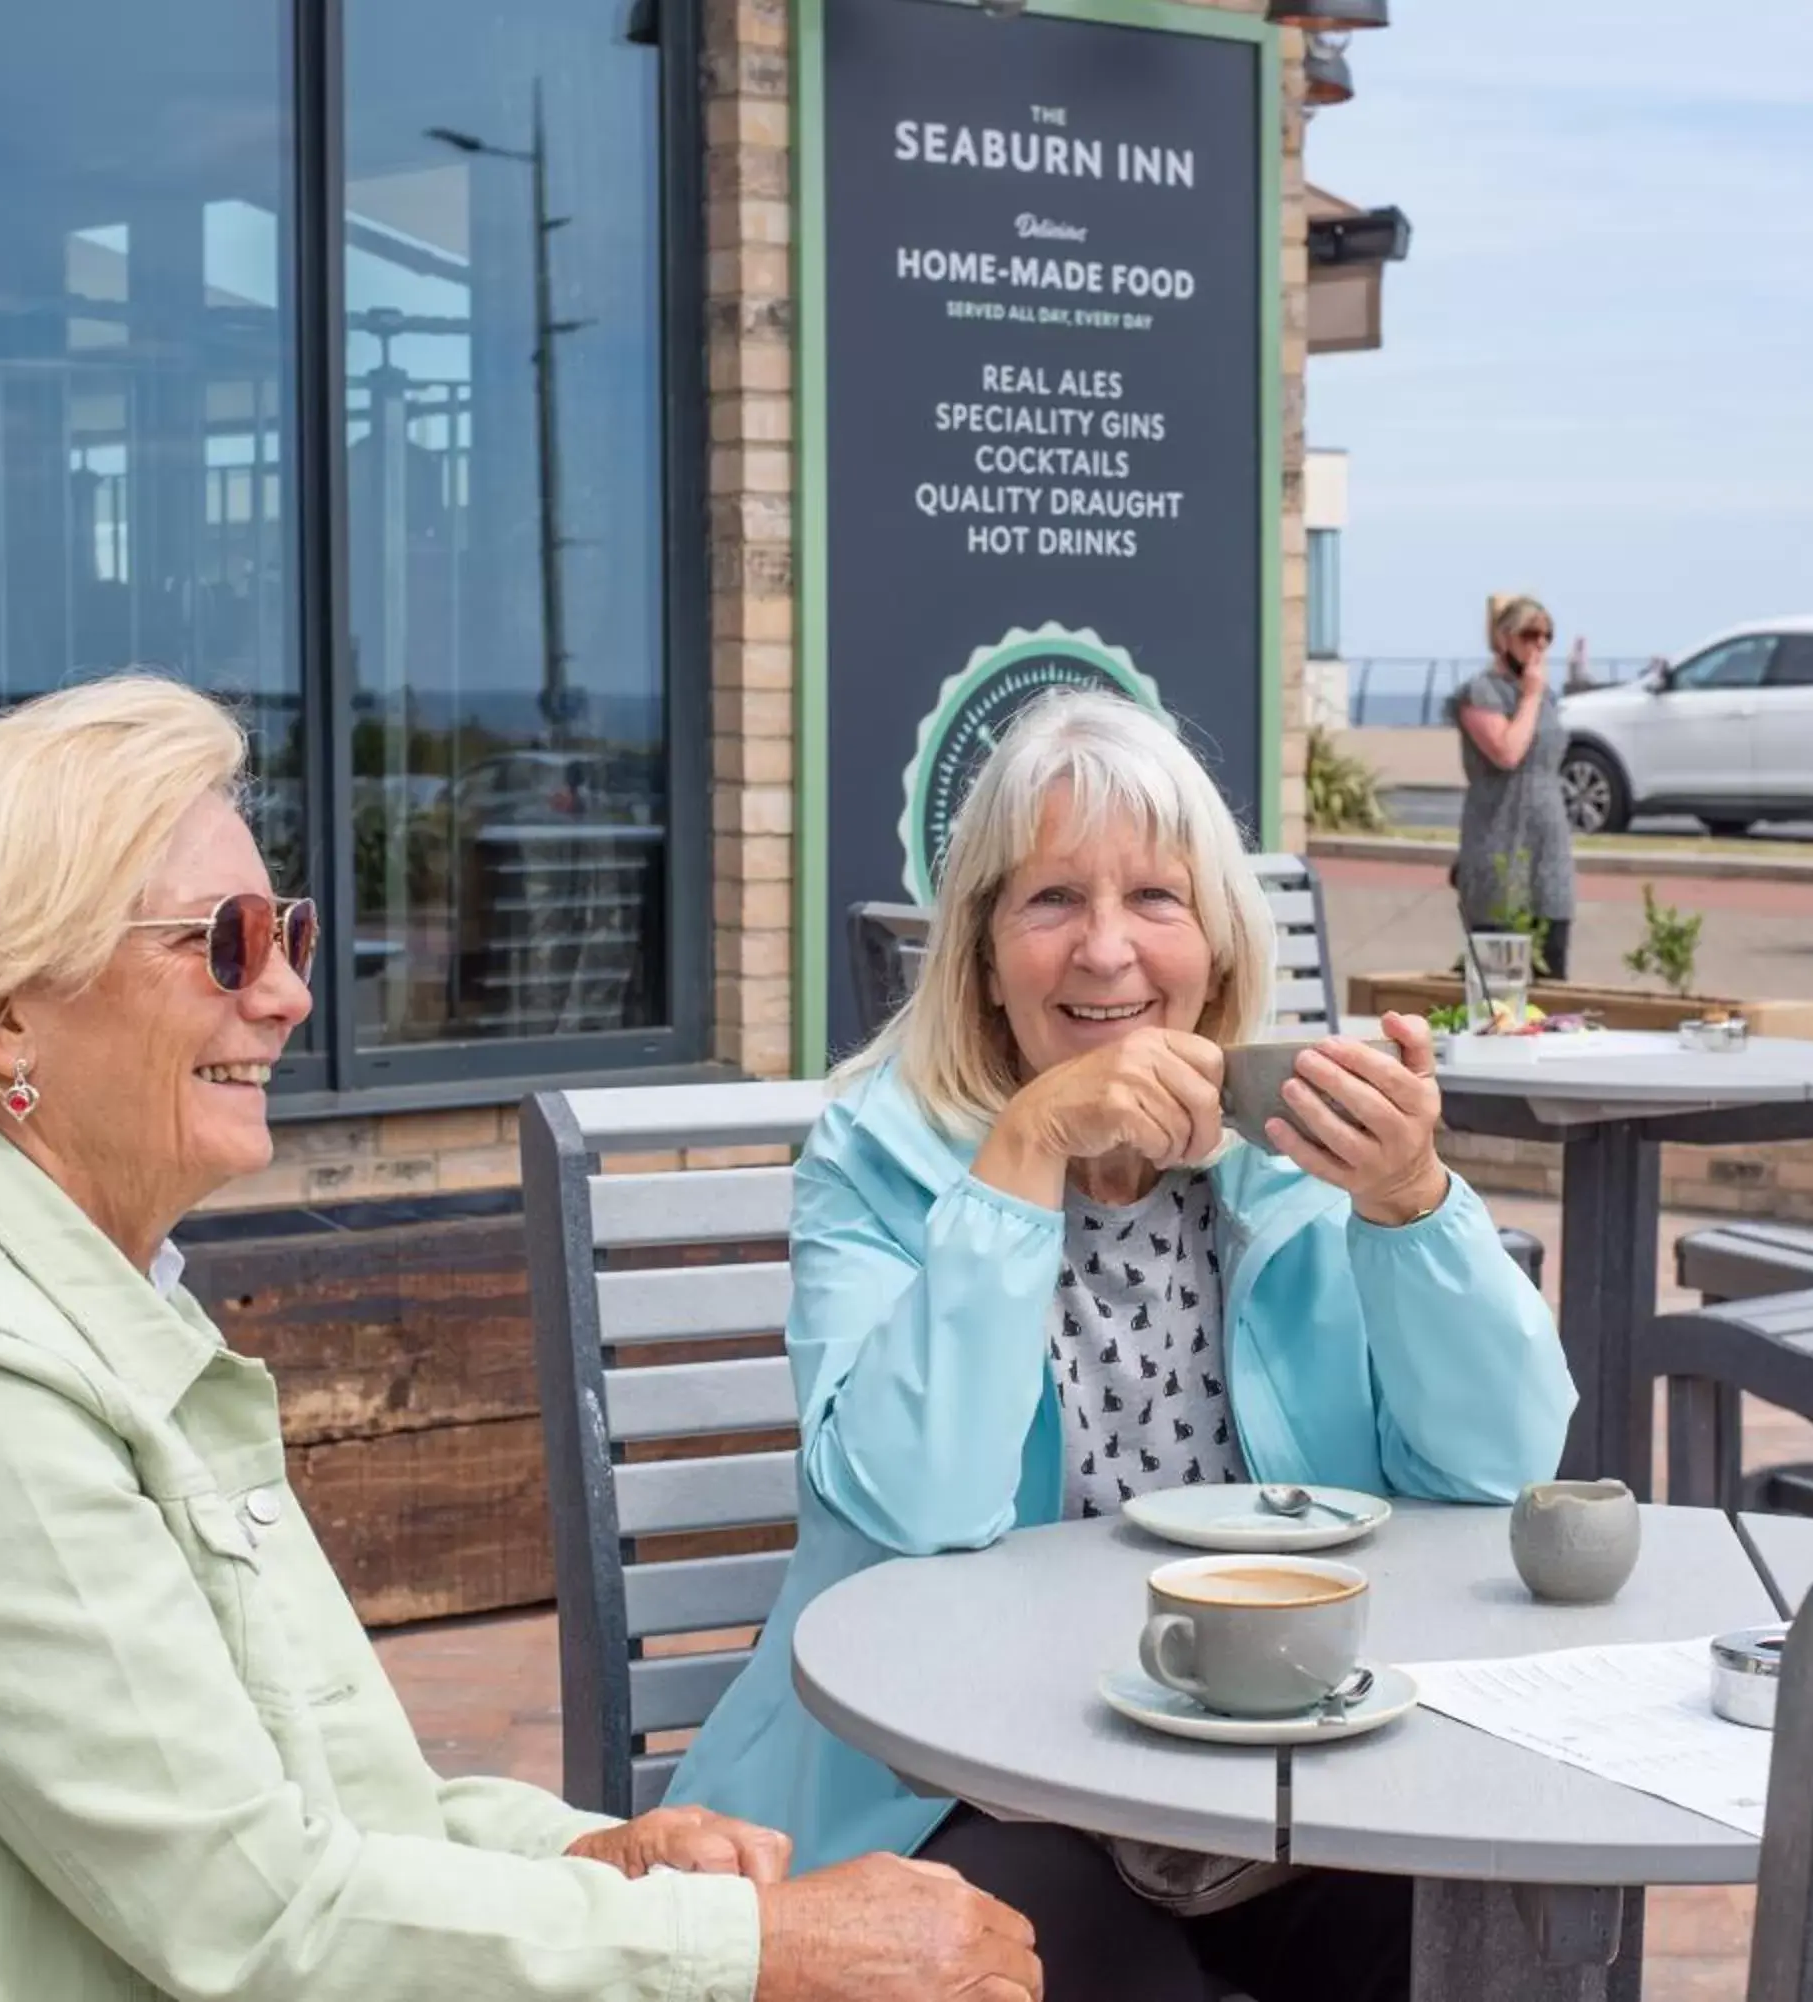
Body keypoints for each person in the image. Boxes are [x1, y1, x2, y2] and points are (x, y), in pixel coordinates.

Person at [0, 675, 1041, 2002]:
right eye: (223, 940)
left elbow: (323, 1804)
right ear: (1, 1021)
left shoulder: (87, 1299)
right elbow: (261, 1920)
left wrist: (585, 1850)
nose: (286, 997)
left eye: (293, 936)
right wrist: (753, 1952)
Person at [667, 692, 1575, 2002]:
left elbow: (1499, 1464)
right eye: (1051, 902)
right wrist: (1023, 1154)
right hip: (976, 1778)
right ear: (981, 951)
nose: (1107, 954)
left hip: (1288, 1763)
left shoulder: (1293, 1150)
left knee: (1489, 1938)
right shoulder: (877, 1153)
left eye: (1156, 896)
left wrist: (1411, 1204)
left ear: (1215, 942)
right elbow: (909, 1505)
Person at [1450, 593, 1577, 980]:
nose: (1540, 644)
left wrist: (1537, 695)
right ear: (1504, 638)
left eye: (1547, 636)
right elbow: (1507, 751)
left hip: (1548, 850)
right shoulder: (1480, 692)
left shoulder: (1546, 697)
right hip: (1498, 847)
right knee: (1499, 981)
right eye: (1530, 634)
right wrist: (1532, 695)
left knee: (1551, 974)